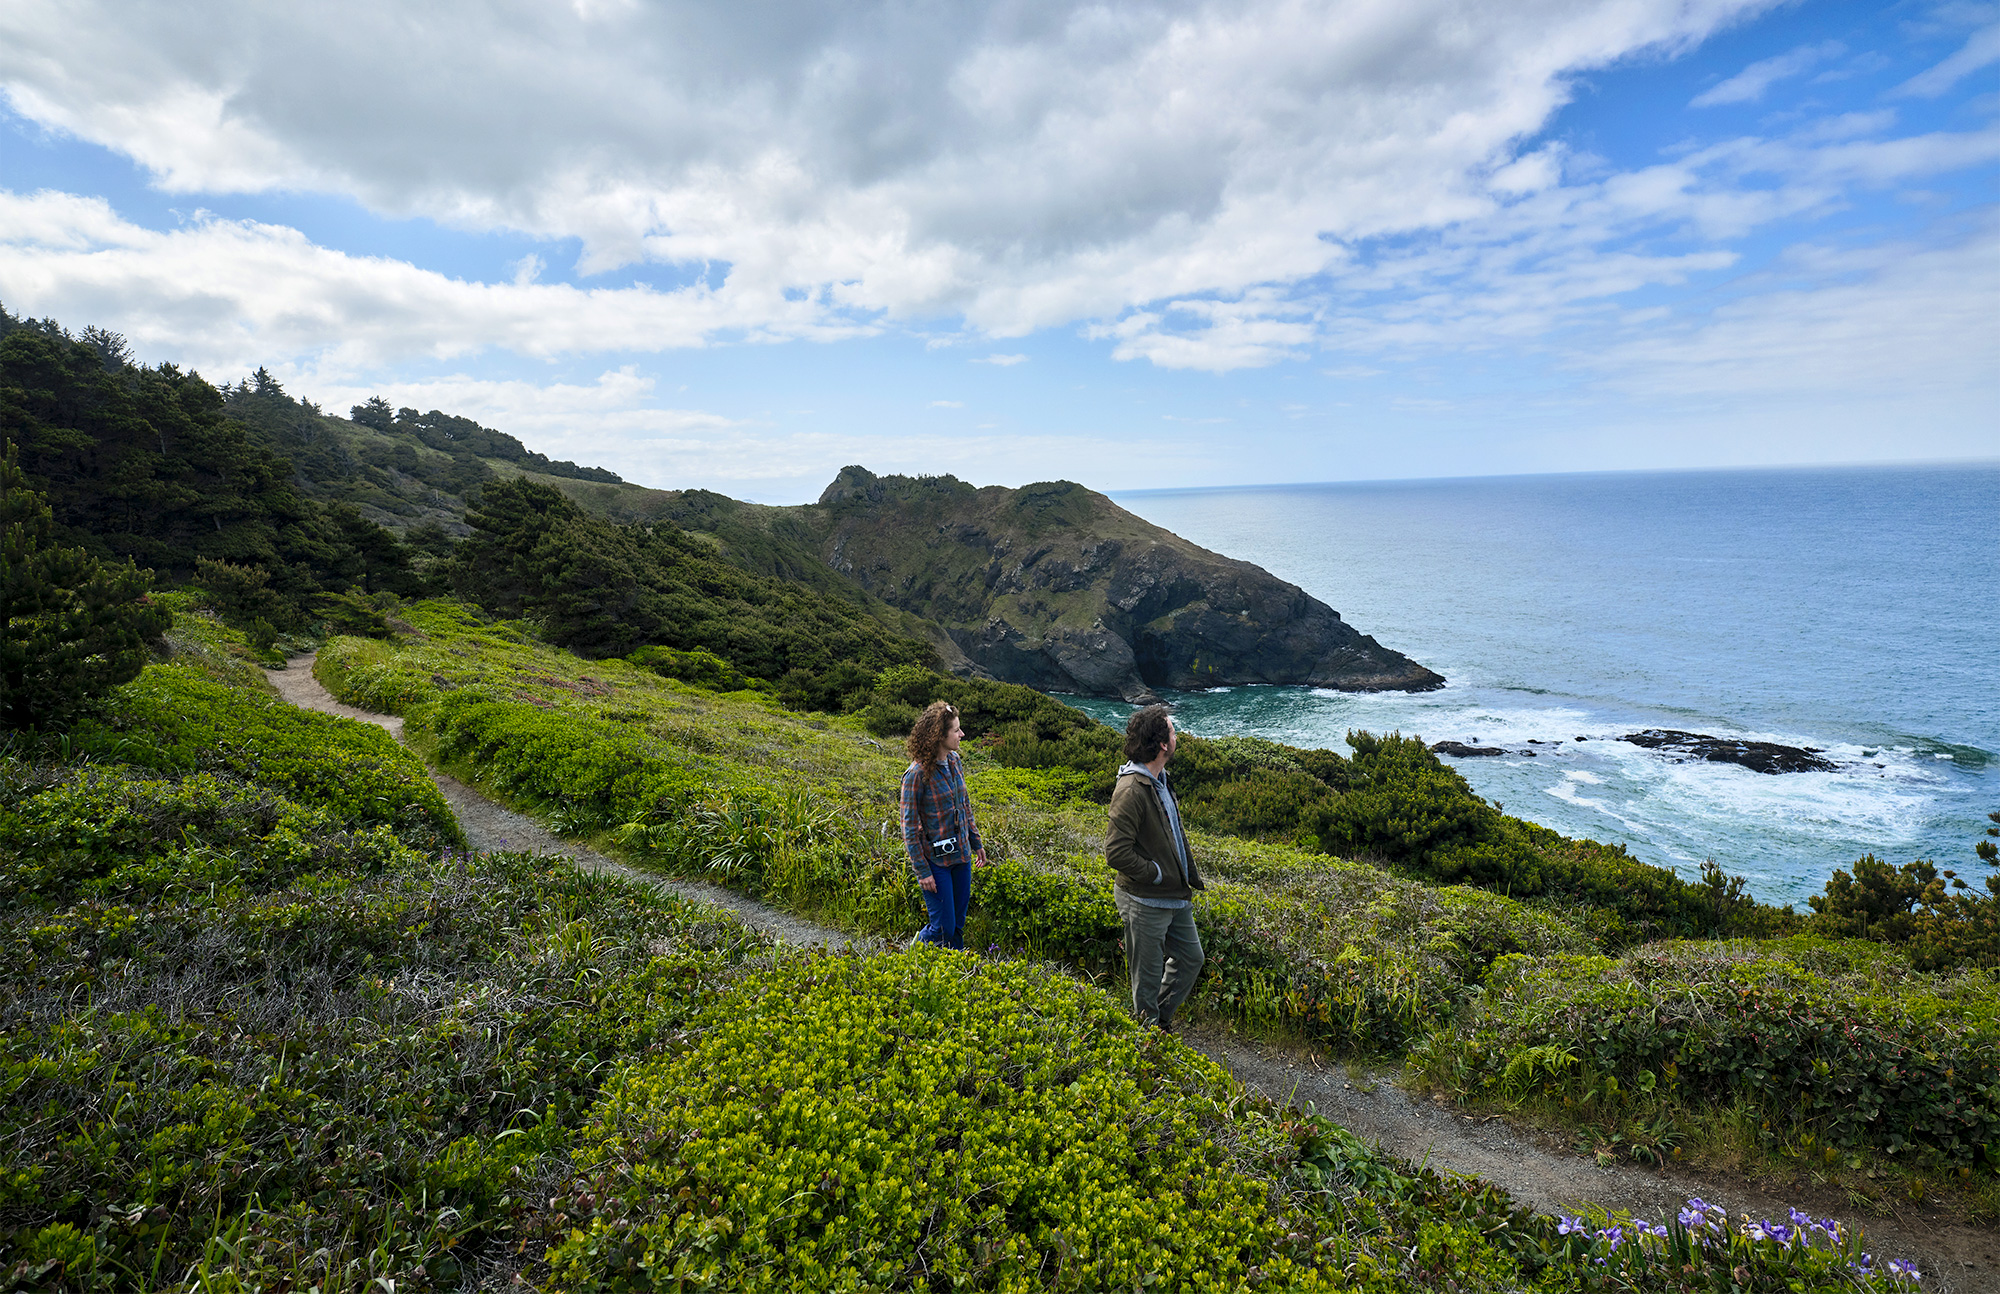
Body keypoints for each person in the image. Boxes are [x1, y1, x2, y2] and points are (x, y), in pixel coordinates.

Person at [1105, 704, 1205, 1029]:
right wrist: (1156, 874)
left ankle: (1158, 1020)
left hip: (1175, 896)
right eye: (1173, 731)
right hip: (1144, 899)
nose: (1176, 736)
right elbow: (1116, 853)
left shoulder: (1160, 779)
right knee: (1145, 980)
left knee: (1191, 958)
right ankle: (1147, 1039)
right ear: (1162, 744)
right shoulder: (1131, 789)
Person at [900, 700, 985, 949]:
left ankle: (953, 969)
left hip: (961, 855)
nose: (962, 734)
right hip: (935, 862)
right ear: (940, 735)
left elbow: (964, 806)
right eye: (956, 730)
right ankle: (916, 950)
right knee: (942, 927)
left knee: (957, 924)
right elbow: (909, 828)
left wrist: (975, 841)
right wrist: (922, 872)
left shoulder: (955, 761)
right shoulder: (916, 774)